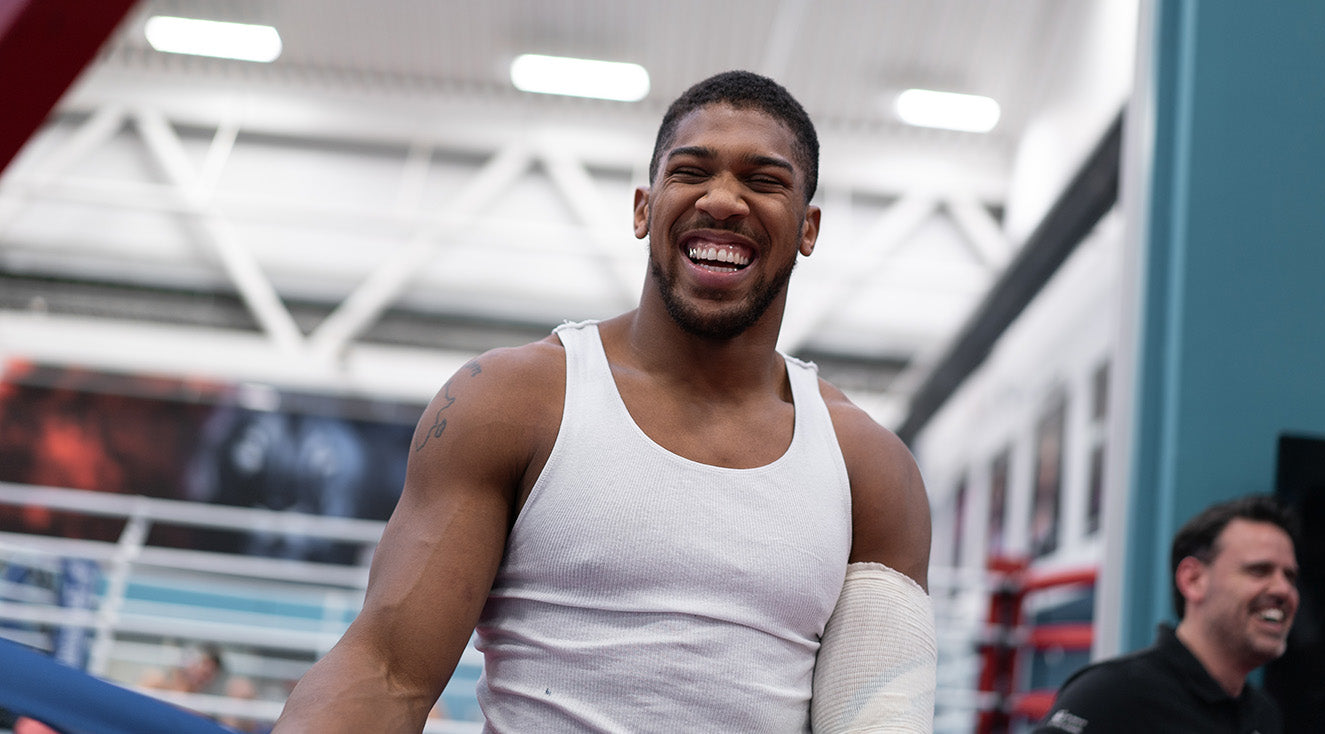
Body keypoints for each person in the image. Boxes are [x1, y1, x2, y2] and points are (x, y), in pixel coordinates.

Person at [273, 70, 935, 733]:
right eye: (691, 171)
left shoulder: (870, 468)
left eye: (763, 182)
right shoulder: (515, 401)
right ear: (644, 208)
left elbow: (880, 724)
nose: (723, 200)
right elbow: (386, 673)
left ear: (807, 228)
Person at [1034, 494, 1300, 733]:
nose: (1283, 589)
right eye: (1259, 570)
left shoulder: (1263, 716)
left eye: (1290, 576)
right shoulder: (1111, 695)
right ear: (1193, 579)